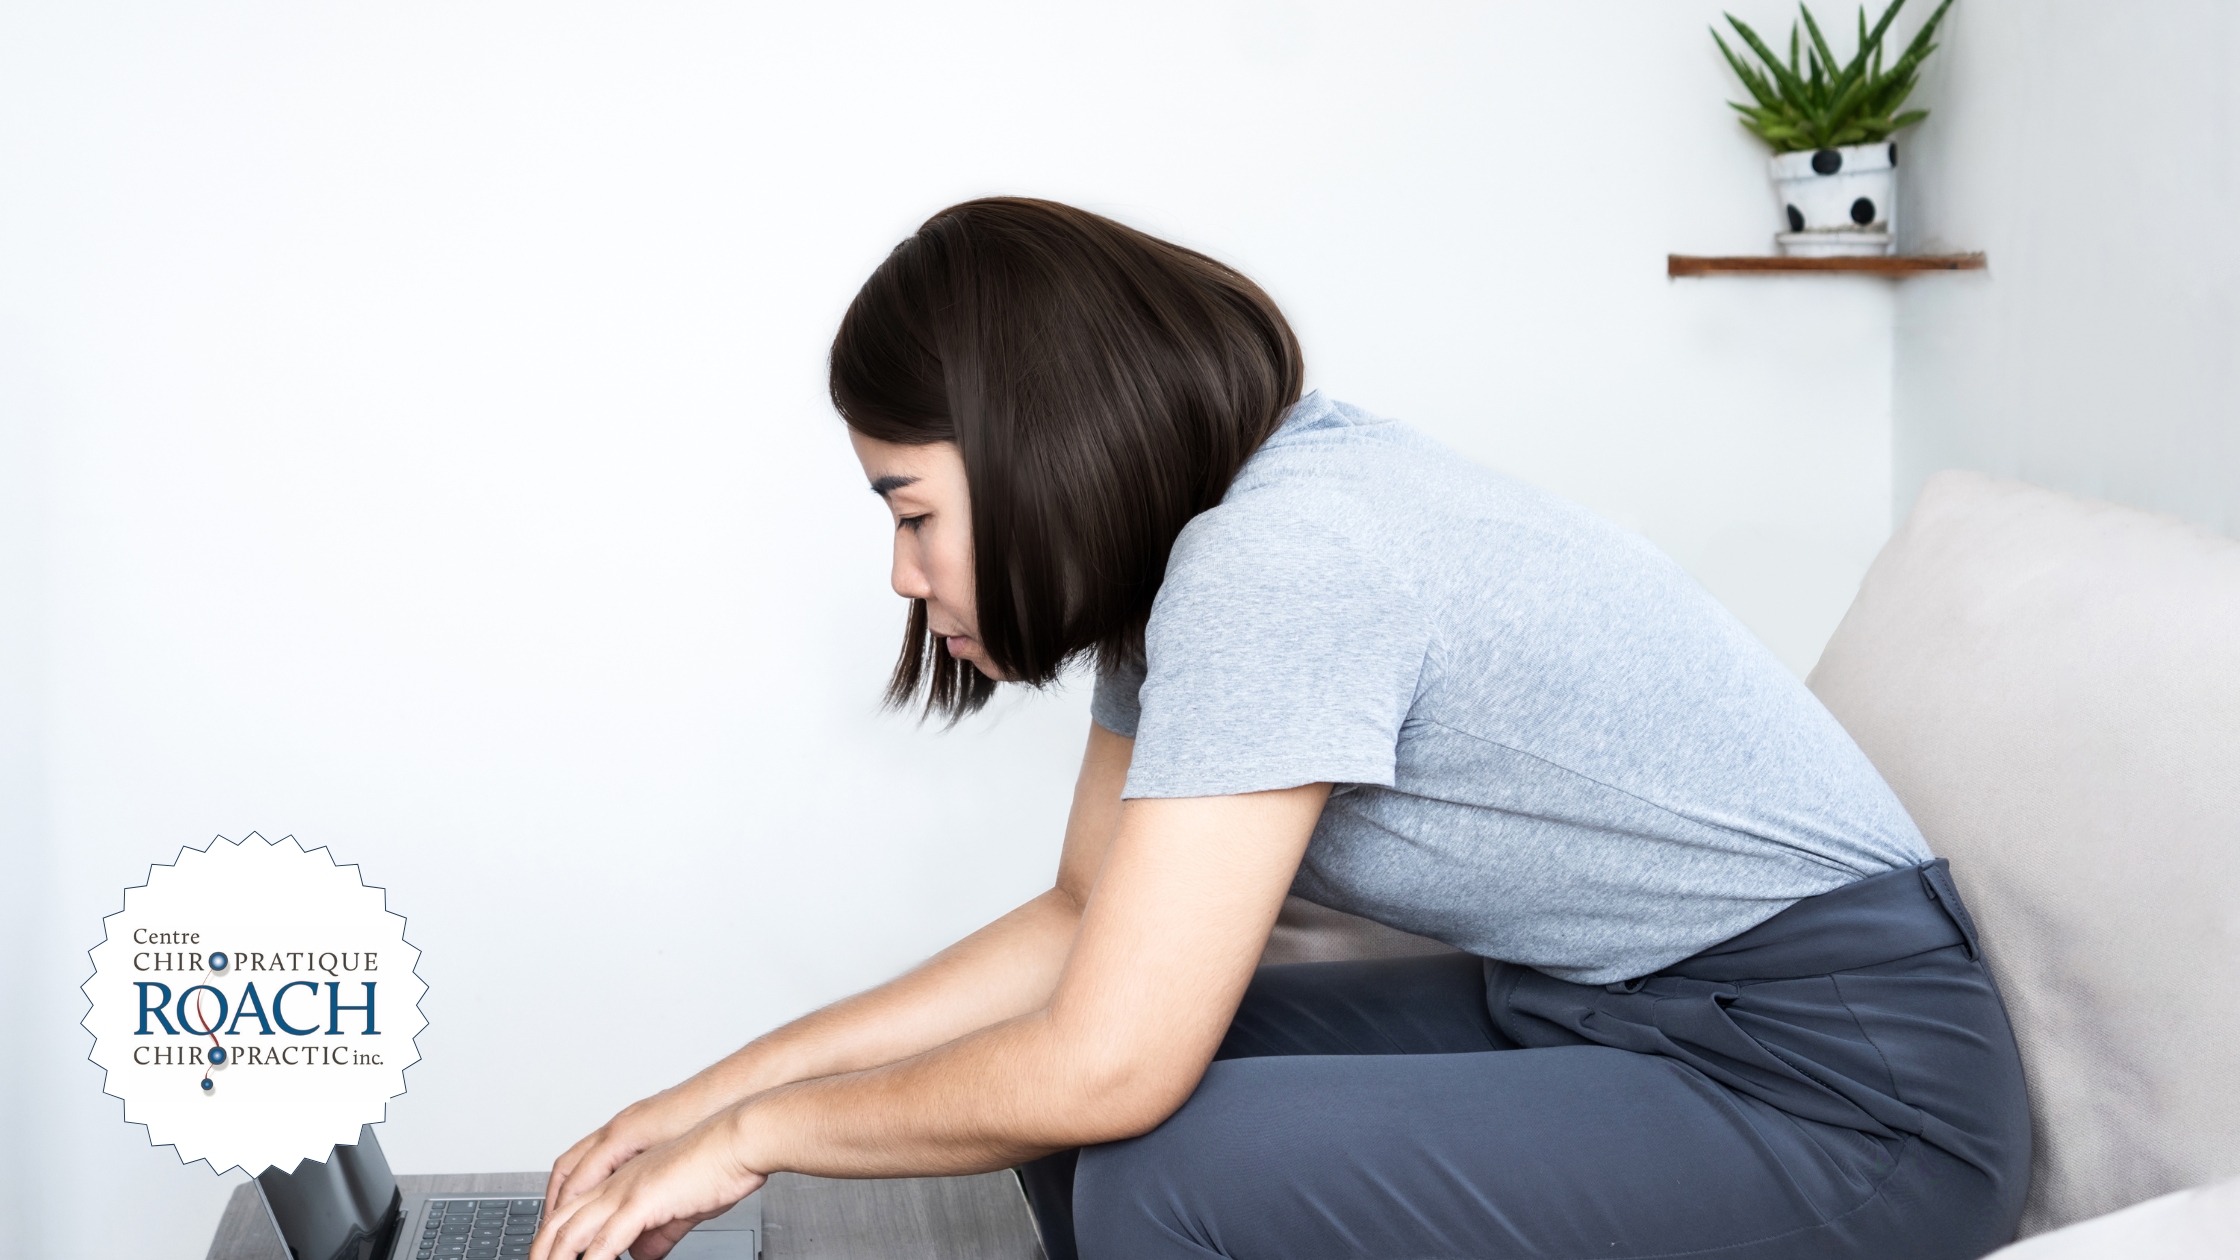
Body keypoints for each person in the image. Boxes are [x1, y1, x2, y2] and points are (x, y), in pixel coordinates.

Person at [529, 198, 2031, 1260]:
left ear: (1035, 447)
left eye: (913, 512)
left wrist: (754, 1142)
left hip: (1845, 1094)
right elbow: (1081, 921)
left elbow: (1113, 1063)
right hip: (1602, 1011)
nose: (906, 578)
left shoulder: (1285, 555)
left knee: (1151, 1156)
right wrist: (704, 1099)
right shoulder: (1210, 544)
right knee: (1051, 1091)